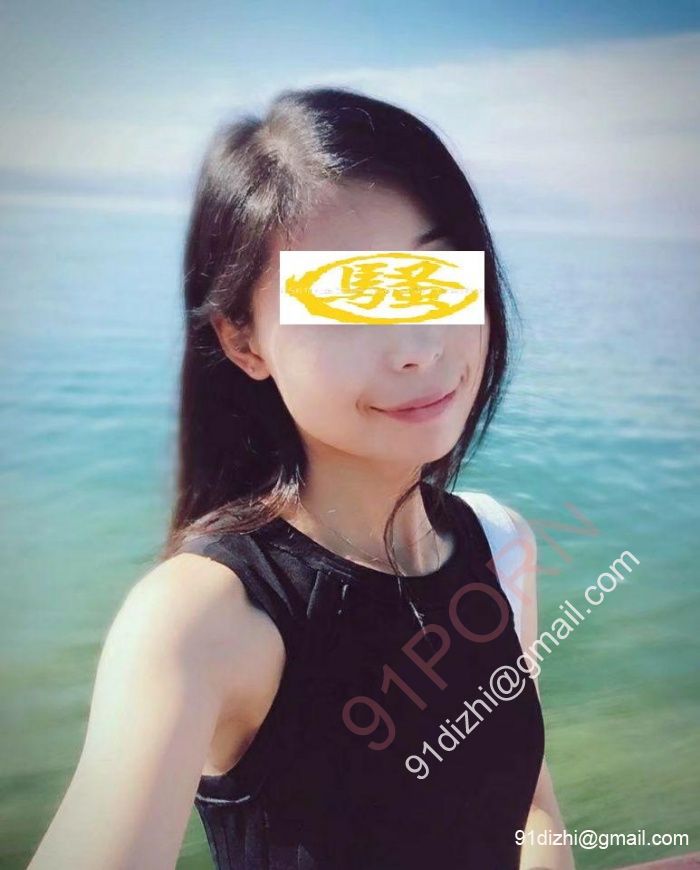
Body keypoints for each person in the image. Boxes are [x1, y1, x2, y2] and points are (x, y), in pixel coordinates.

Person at [28, 87, 574, 869]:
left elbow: (531, 806)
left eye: (436, 279)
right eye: (349, 302)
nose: (418, 346)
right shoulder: (202, 618)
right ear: (243, 341)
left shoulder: (501, 542)